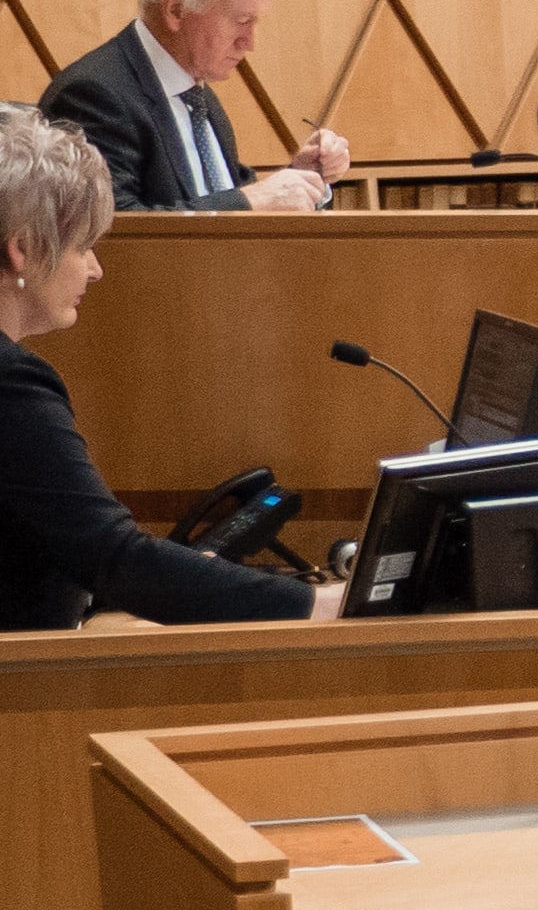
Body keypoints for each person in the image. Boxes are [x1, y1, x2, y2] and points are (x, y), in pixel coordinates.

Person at [0, 109, 325, 627]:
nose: (96, 268)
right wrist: (313, 604)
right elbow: (113, 558)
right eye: (83, 245)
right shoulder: (11, 383)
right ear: (22, 249)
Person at [39, 0, 346, 211]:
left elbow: (223, 194)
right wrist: (248, 202)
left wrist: (302, 178)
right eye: (241, 21)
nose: (250, 42)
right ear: (176, 10)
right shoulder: (93, 95)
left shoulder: (196, 95)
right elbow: (113, 228)